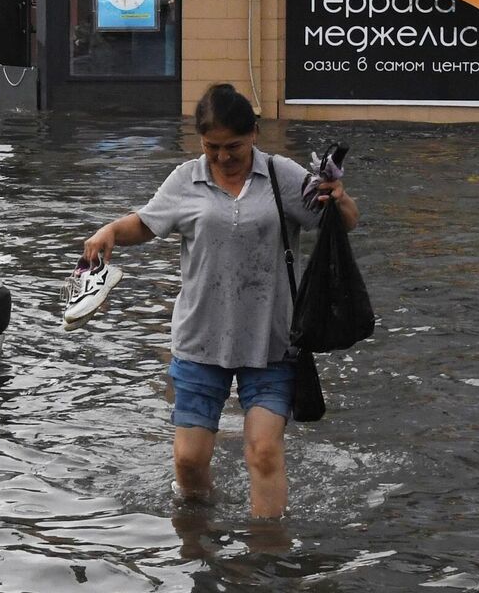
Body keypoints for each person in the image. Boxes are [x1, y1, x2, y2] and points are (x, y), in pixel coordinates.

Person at [82, 83, 358, 520]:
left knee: (264, 452)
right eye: (212, 147)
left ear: (254, 134)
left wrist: (340, 200)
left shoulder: (282, 175)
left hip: (272, 340)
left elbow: (343, 223)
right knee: (189, 461)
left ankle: (267, 556)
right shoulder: (185, 179)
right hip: (200, 339)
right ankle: (199, 534)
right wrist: (111, 231)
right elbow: (148, 223)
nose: (223, 156)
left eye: (233, 146)